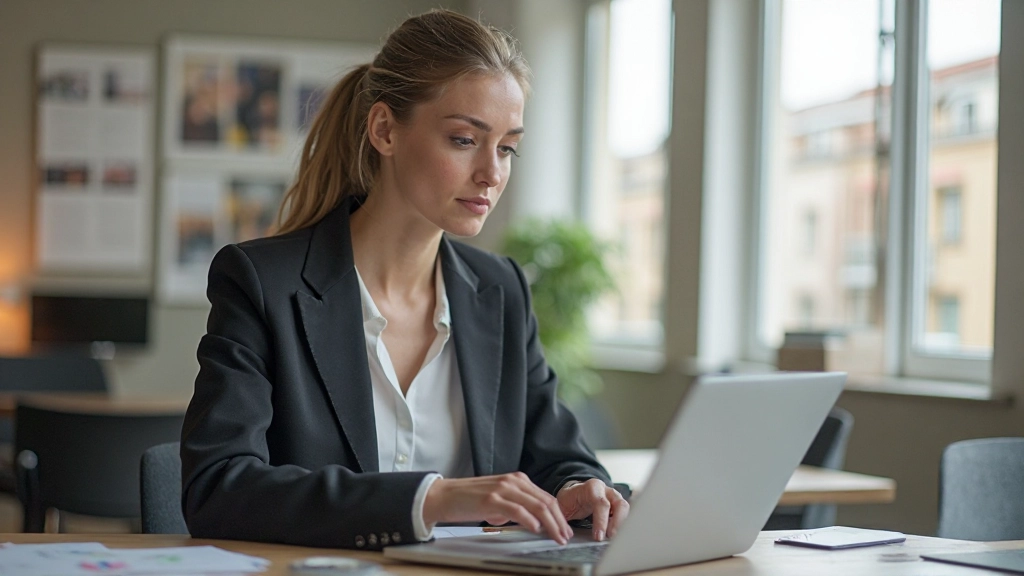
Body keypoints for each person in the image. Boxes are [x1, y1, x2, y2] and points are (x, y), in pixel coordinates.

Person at [180, 9, 628, 551]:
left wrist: (583, 487)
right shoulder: (261, 282)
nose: (492, 171)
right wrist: (430, 500)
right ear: (385, 130)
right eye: (465, 139)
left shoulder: (500, 290)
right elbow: (218, 488)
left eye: (507, 147)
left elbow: (560, 455)